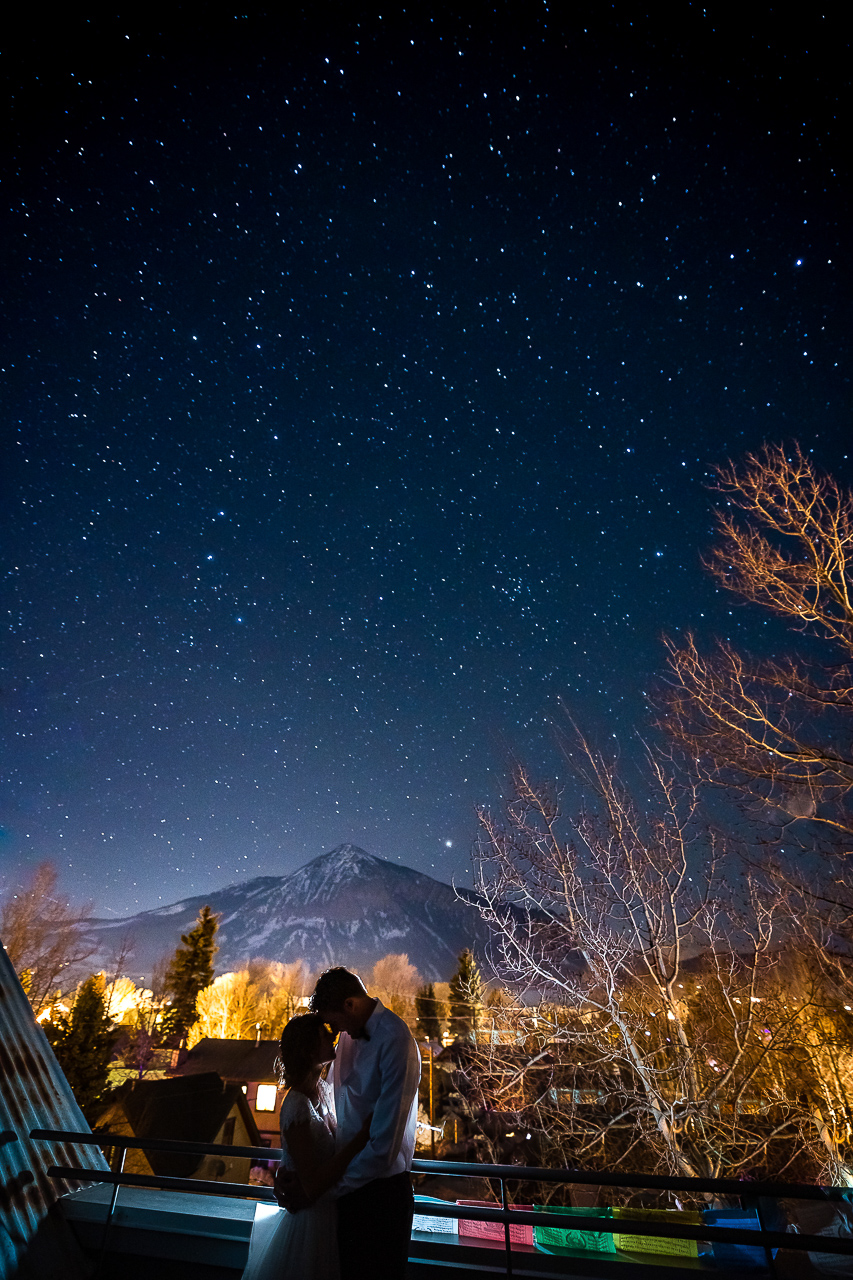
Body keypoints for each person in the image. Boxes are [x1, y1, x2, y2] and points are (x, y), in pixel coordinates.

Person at [309, 967, 422, 1280]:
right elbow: (334, 1110)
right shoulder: (347, 1038)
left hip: (382, 1197)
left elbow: (384, 1146)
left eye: (334, 1022)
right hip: (347, 1187)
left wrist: (327, 1190)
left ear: (350, 1005)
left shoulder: (397, 1041)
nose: (333, 1030)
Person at [243, 1013, 371, 1280]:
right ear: (310, 1049)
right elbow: (311, 1183)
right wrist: (361, 1138)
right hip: (308, 1223)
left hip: (327, 1215)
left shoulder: (323, 1091)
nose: (333, 1036)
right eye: (325, 1035)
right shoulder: (296, 1104)